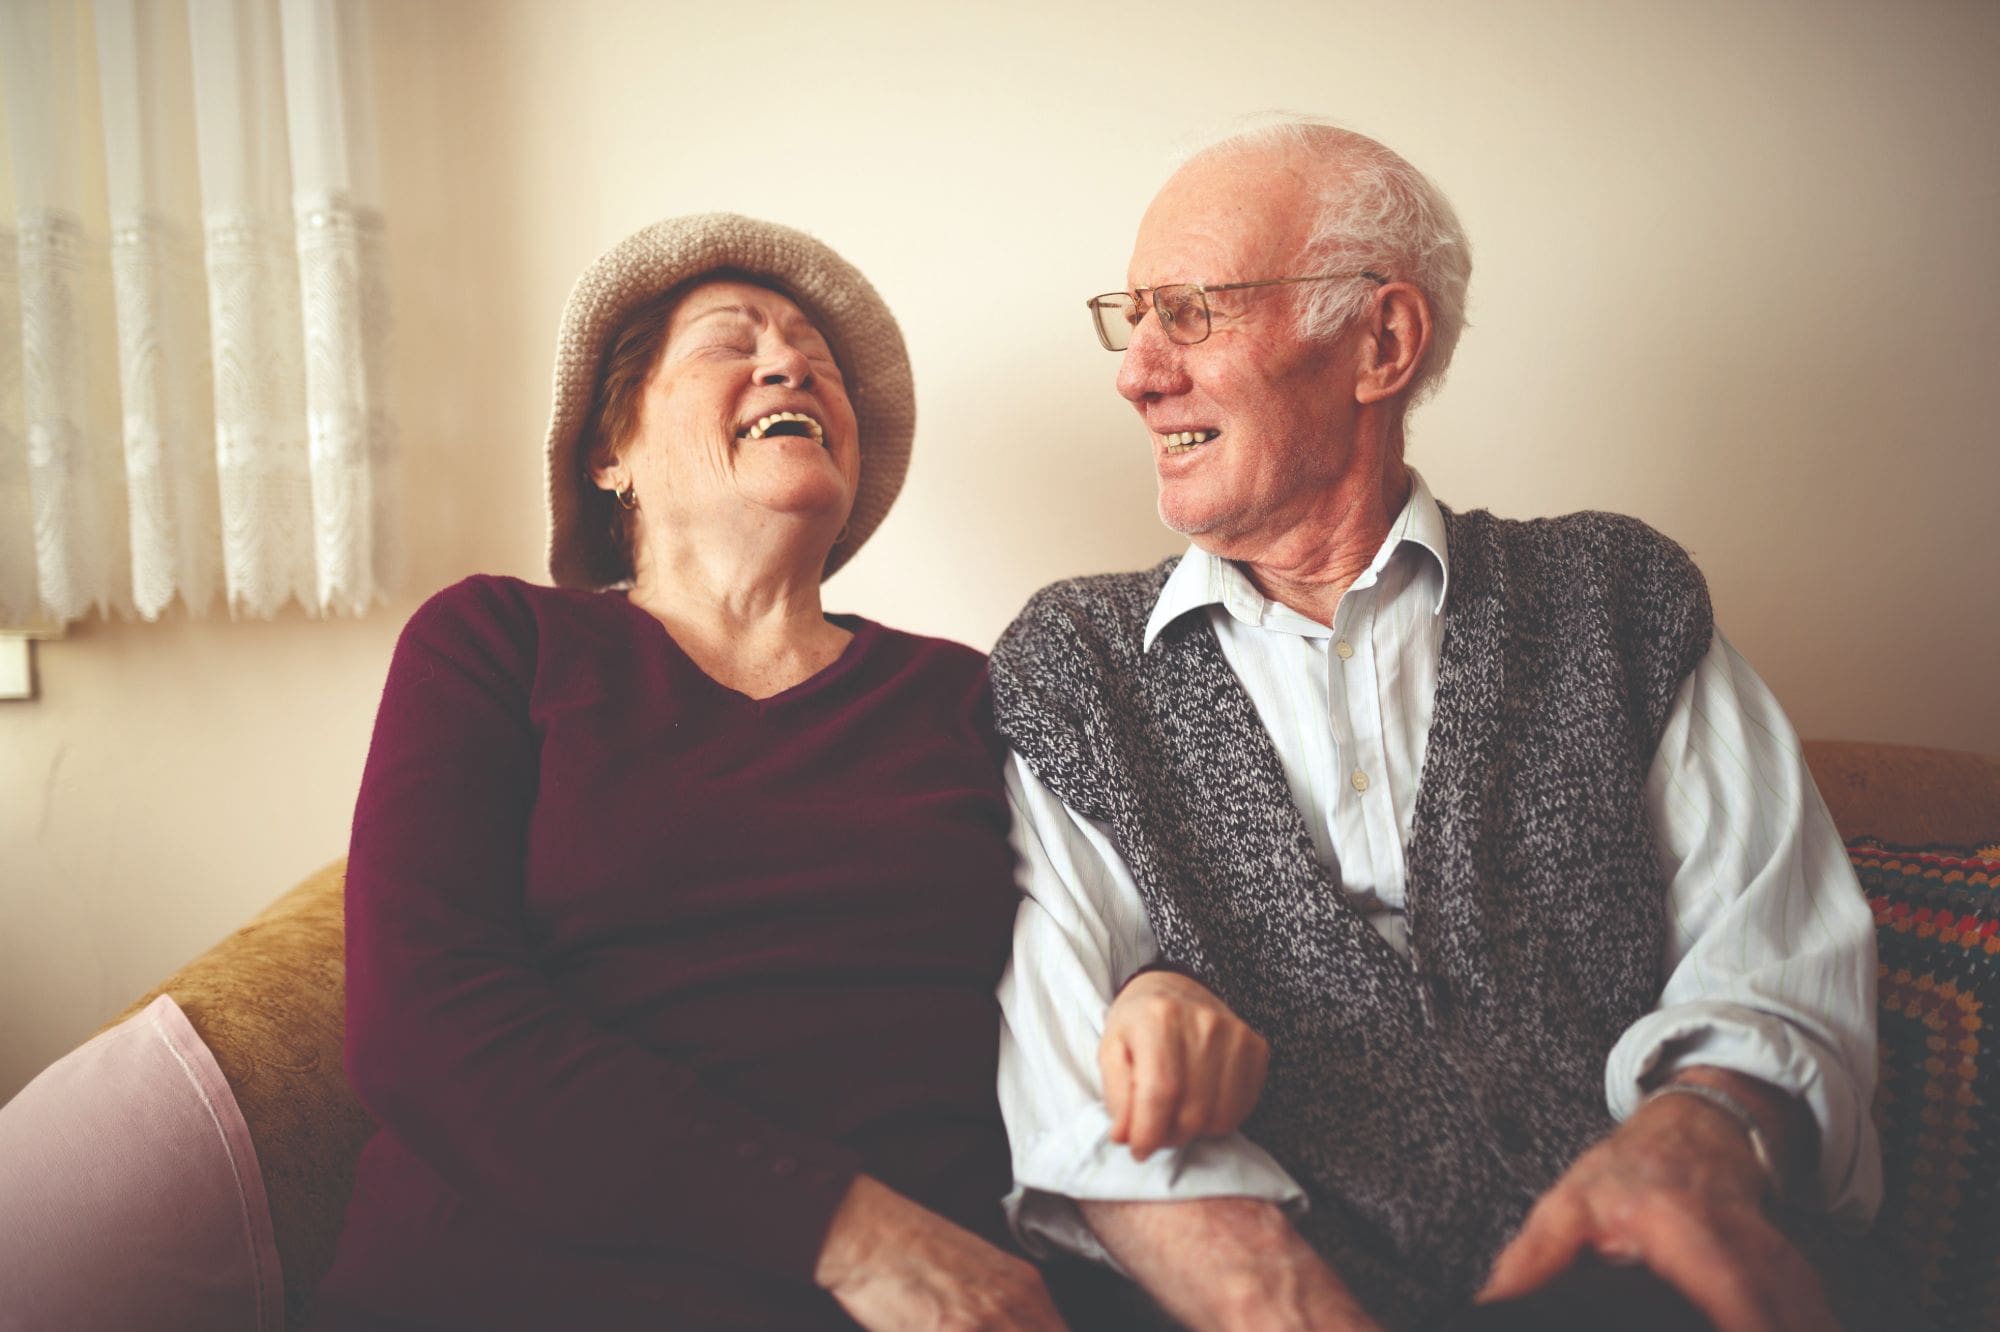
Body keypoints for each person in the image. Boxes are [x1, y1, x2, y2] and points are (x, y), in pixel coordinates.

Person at [990, 120, 1888, 1332]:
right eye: (1131, 316)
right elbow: (1071, 1089)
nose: (1136, 371)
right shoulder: (1072, 667)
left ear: (1380, 340)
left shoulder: (1611, 598)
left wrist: (1695, 1139)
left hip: (1627, 1280)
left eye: (1190, 310)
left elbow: (1776, 952)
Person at [307, 213, 1253, 1331]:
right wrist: (848, 1234)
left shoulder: (967, 694)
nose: (790, 360)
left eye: (813, 354)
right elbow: (423, 1028)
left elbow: (1106, 918)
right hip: (525, 1285)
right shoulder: (497, 643)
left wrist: (1160, 985)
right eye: (728, 339)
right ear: (610, 451)